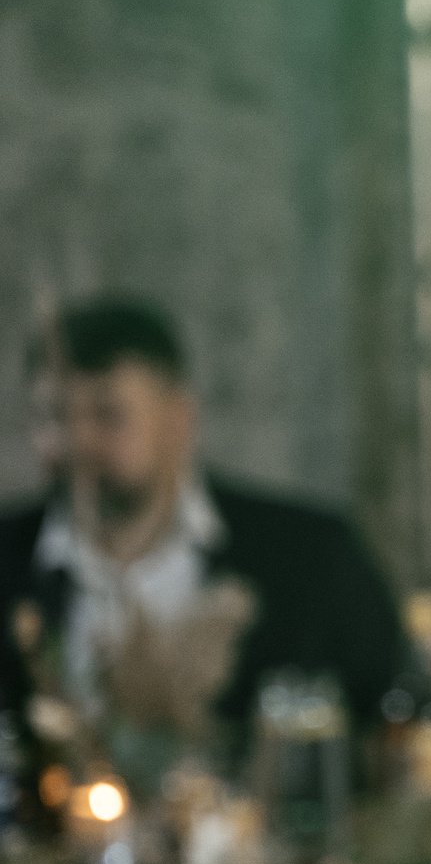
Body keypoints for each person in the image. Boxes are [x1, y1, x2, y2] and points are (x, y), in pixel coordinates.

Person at [0, 296, 408, 782]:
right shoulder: (7, 559)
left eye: (108, 415)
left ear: (179, 418)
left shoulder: (312, 555)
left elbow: (396, 726)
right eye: (54, 416)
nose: (78, 442)